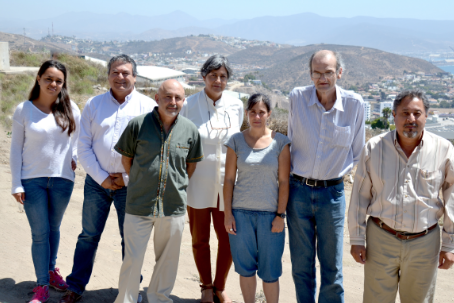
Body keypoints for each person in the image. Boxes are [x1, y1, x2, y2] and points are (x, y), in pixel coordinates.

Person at [59, 54, 156, 303]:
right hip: (96, 184)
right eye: (115, 72)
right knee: (88, 236)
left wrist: (125, 177)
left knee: (130, 240)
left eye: (125, 72)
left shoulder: (147, 108)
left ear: (134, 76)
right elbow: (83, 146)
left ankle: (130, 291)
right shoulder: (94, 104)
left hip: (131, 186)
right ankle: (76, 287)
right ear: (108, 75)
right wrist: (103, 178)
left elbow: (150, 153)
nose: (120, 77)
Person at [348, 89, 454, 303]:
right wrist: (357, 238)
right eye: (405, 113)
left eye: (417, 113)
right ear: (394, 115)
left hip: (425, 244)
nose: (411, 119)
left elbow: (452, 197)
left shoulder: (443, 149)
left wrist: (449, 244)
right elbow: (360, 196)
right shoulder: (374, 148)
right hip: (381, 239)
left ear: (426, 116)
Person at [113, 79, 204, 303]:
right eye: (167, 97)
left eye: (178, 98)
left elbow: (190, 167)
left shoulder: (190, 130)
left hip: (173, 206)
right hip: (139, 204)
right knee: (132, 259)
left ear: (184, 101)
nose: (172, 102)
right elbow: (127, 160)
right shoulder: (137, 124)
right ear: (157, 99)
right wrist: (142, 180)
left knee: (167, 260)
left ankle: (158, 298)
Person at [286, 50, 365, 303]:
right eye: (317, 73)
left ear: (339, 73)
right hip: (297, 191)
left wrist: (335, 177)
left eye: (328, 72)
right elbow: (289, 142)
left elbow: (358, 153)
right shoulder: (297, 98)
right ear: (310, 74)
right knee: (301, 264)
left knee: (332, 267)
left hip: (332, 195)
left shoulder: (355, 105)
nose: (322, 78)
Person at [10, 60, 80, 303]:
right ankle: (42, 286)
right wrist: (16, 184)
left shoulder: (71, 108)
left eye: (59, 80)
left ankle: (51, 272)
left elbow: (78, 142)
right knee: (40, 234)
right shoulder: (24, 110)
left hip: (62, 180)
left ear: (63, 84)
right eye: (49, 78)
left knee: (54, 228)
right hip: (32, 180)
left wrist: (75, 157)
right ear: (38, 78)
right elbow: (15, 148)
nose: (53, 84)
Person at [180, 55, 243, 303]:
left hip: (227, 182)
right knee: (200, 238)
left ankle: (220, 285)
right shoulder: (189, 105)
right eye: (213, 75)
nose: (218, 80)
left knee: (228, 237)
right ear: (203, 77)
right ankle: (206, 286)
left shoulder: (237, 105)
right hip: (197, 181)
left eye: (223, 76)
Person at [224, 94, 290, 303]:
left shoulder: (281, 142)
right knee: (245, 270)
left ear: (269, 114)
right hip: (240, 215)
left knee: (270, 272)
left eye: (261, 112)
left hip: (270, 216)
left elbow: (284, 182)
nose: (257, 116)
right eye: (252, 112)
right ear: (247, 114)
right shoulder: (235, 140)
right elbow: (228, 180)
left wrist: (280, 215)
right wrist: (228, 214)